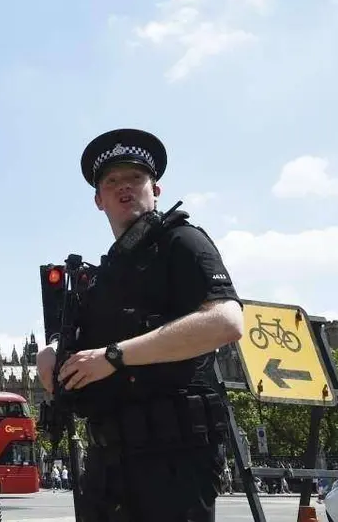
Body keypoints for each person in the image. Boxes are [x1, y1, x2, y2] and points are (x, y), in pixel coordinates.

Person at [37, 128, 244, 522]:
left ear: (156, 189)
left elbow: (226, 320)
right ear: (99, 200)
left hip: (172, 460)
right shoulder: (103, 275)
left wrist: (115, 356)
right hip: (107, 462)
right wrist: (50, 352)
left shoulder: (182, 242)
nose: (123, 188)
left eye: (134, 178)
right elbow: (79, 344)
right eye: (112, 182)